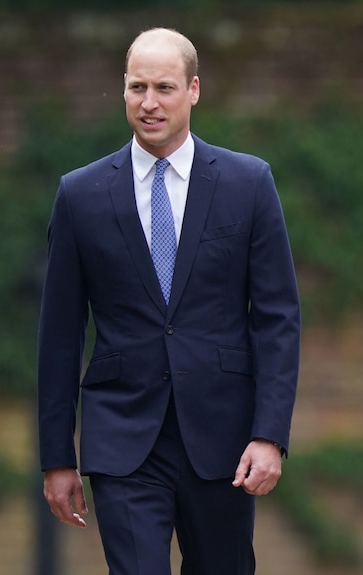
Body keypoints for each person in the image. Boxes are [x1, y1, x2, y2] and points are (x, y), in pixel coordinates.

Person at [37, 27, 301, 575]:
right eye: (137, 87)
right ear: (124, 90)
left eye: (164, 87)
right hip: (122, 436)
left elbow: (277, 319)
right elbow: (59, 335)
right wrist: (58, 457)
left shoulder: (248, 183)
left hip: (224, 437)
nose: (149, 103)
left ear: (194, 90)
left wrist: (269, 434)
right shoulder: (80, 195)